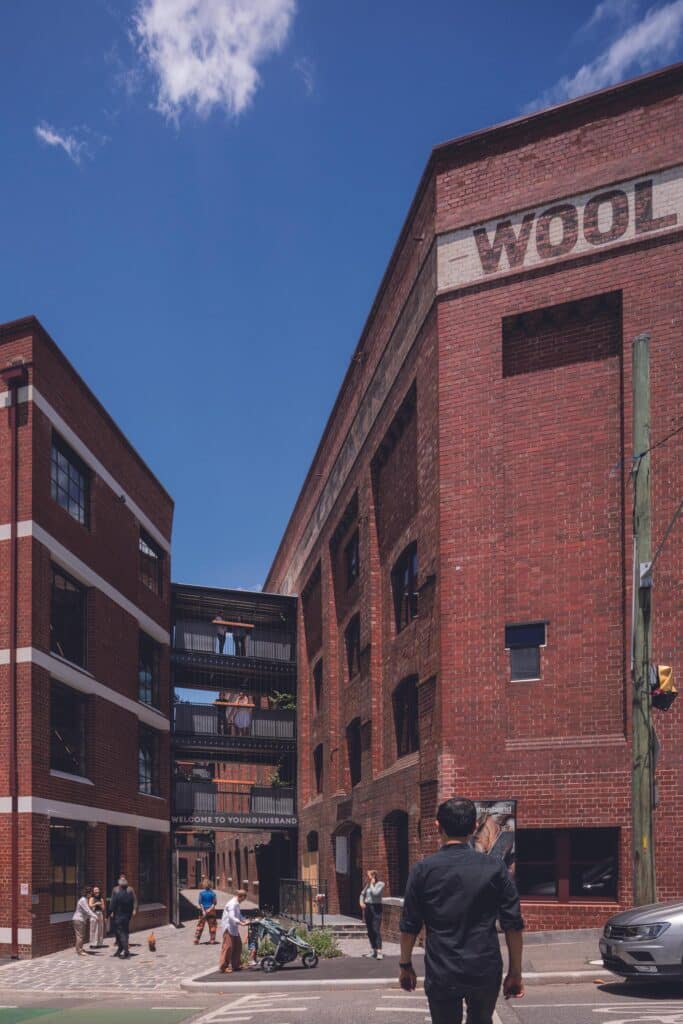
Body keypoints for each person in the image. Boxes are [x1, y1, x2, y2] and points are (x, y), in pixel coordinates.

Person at [399, 797, 525, 1024]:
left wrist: (405, 965)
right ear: (474, 827)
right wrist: (515, 971)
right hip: (484, 968)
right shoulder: (495, 868)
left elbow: (410, 925)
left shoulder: (422, 871)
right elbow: (513, 924)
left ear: (438, 826)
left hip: (442, 969)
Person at [219, 888, 248, 973]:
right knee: (228, 946)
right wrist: (240, 923)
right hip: (228, 927)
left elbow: (238, 915)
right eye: (243, 898)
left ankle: (236, 965)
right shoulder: (232, 904)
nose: (243, 900)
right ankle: (223, 966)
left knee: (238, 945)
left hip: (234, 927)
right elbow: (232, 917)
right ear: (240, 896)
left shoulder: (237, 903)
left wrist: (245, 920)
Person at [360, 869, 385, 959]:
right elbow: (362, 894)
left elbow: (375, 893)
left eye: (369, 876)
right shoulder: (367, 885)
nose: (367, 877)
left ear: (374, 876)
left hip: (376, 907)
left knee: (376, 929)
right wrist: (361, 903)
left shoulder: (381, 884)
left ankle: (379, 951)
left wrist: (372, 884)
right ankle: (373, 949)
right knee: (370, 930)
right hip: (368, 907)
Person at [109, 875, 136, 958]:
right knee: (120, 932)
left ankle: (126, 951)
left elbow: (112, 902)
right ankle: (120, 948)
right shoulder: (115, 890)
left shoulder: (129, 890)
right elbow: (112, 900)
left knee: (122, 933)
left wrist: (134, 909)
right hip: (124, 915)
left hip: (121, 915)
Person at [72, 886, 98, 955]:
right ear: (87, 893)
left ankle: (80, 948)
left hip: (81, 920)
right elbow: (87, 910)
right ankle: (79, 951)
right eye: (90, 893)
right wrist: (95, 916)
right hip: (78, 919)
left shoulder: (85, 899)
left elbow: (88, 910)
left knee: (81, 935)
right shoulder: (83, 900)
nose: (91, 895)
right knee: (80, 936)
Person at [195, 879, 218, 944]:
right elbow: (214, 903)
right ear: (210, 885)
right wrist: (209, 909)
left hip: (203, 911)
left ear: (203, 885)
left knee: (200, 925)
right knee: (212, 925)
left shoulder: (201, 893)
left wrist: (203, 910)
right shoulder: (213, 893)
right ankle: (212, 940)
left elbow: (200, 903)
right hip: (211, 911)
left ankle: (197, 939)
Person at [88, 884, 106, 948]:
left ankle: (99, 943)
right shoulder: (91, 898)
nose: (96, 892)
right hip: (93, 913)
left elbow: (103, 908)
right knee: (93, 928)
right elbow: (90, 906)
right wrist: (95, 904)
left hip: (100, 913)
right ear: (93, 892)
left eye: (97, 890)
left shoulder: (101, 899)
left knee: (100, 928)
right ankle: (93, 943)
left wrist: (100, 905)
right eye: (95, 890)